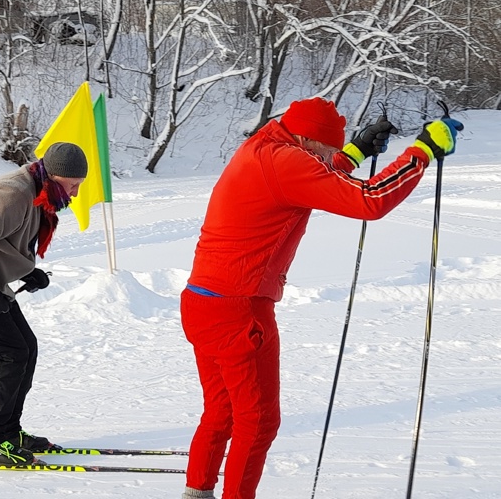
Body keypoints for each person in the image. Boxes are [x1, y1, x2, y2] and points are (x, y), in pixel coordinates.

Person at [180, 97, 463, 499]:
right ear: (309, 140)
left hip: (202, 301)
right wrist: (421, 152)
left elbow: (313, 176)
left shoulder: (263, 149)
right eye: (330, 147)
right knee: (257, 422)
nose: (332, 154)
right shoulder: (286, 161)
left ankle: (197, 491)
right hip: (240, 310)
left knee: (222, 413)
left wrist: (357, 151)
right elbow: (368, 200)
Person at [0, 142, 88, 466]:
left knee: (26, 348)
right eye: (73, 185)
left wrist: (27, 270)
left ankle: (8, 432)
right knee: (9, 355)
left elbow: (4, 240)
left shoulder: (38, 191)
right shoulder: (15, 193)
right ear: (53, 175)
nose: (75, 194)